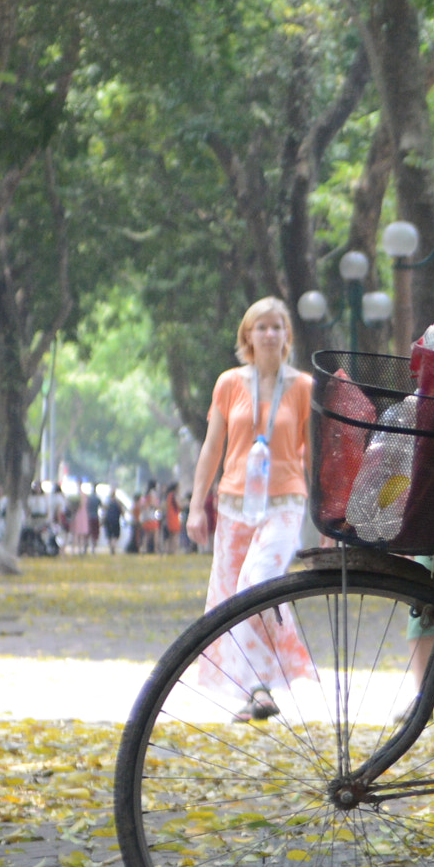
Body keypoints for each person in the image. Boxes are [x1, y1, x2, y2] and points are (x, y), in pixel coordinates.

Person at [186, 296, 316, 720]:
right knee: (230, 600)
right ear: (248, 335)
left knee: (258, 583)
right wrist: (195, 506)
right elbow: (212, 448)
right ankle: (257, 688)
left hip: (285, 499)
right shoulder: (228, 384)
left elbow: (313, 454)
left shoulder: (302, 387)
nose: (269, 334)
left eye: (277, 326)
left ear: (286, 335)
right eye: (261, 327)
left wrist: (327, 514)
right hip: (234, 503)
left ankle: (274, 675)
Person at [101, 488, 123, 555]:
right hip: (116, 521)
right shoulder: (118, 502)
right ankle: (113, 546)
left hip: (108, 521)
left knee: (109, 535)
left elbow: (104, 511)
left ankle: (111, 547)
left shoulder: (107, 503)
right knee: (115, 536)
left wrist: (103, 520)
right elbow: (122, 511)